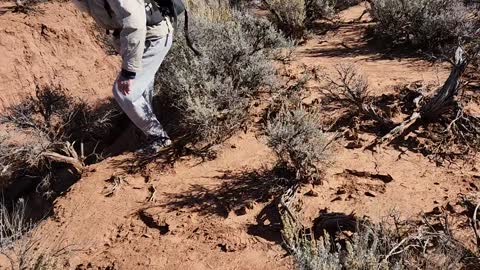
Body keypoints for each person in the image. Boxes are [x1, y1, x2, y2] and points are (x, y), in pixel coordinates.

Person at [73, 0, 174, 153]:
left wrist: (129, 71)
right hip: (138, 39)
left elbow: (135, 24)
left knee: (125, 92)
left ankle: (159, 138)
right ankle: (146, 131)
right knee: (142, 89)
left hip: (152, 37)